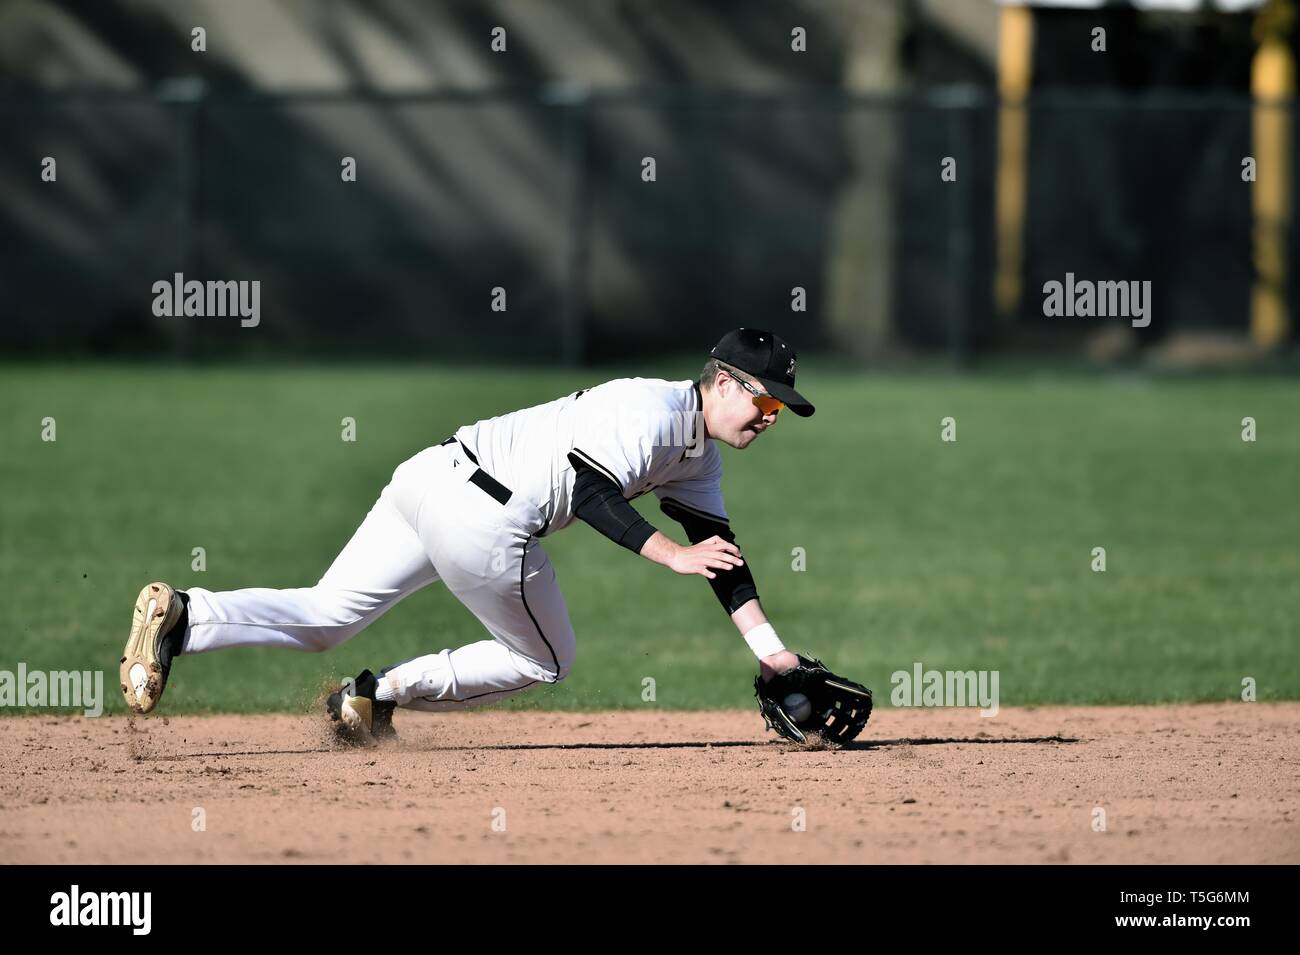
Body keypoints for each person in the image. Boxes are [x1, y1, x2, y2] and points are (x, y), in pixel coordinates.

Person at [119, 328, 815, 743]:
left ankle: (187, 614)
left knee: (326, 618)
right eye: (765, 398)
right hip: (486, 517)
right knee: (548, 661)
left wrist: (772, 652)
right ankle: (380, 694)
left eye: (780, 406)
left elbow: (722, 557)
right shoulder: (653, 412)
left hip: (432, 477)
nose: (772, 414)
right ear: (722, 382)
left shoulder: (698, 453)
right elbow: (590, 490)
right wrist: (669, 554)